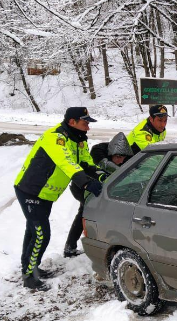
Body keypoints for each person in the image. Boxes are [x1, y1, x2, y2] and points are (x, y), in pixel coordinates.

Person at [14, 107, 103, 291]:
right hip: (31, 191)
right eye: (85, 122)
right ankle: (29, 277)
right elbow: (66, 163)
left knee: (32, 231)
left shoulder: (78, 140)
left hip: (46, 194)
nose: (88, 127)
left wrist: (101, 175)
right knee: (41, 233)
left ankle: (31, 267)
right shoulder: (55, 137)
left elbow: (86, 163)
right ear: (72, 122)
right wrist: (86, 183)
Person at [63, 133, 133, 257]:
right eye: (118, 157)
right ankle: (87, 246)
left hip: (95, 189)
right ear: (112, 153)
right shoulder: (98, 152)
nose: (121, 161)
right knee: (87, 215)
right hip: (82, 187)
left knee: (84, 214)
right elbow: (104, 166)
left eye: (123, 158)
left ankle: (71, 247)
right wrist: (121, 173)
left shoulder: (123, 155)